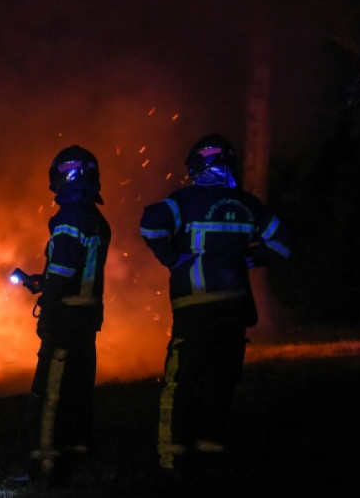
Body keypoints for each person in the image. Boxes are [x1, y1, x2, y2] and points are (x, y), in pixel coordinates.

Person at [139, 134, 292, 480]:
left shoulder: (183, 200)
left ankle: (172, 459)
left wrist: (172, 259)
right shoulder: (248, 204)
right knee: (220, 381)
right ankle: (211, 456)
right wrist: (247, 259)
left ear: (196, 165)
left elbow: (150, 224)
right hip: (234, 307)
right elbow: (283, 243)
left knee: (180, 382)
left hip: (194, 306)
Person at [25, 145, 111, 489]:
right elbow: (76, 270)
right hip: (86, 319)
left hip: (65, 321)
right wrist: (43, 280)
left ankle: (46, 467)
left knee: (48, 395)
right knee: (77, 394)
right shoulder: (95, 218)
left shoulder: (68, 218)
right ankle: (77, 461)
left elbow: (62, 274)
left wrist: (48, 304)